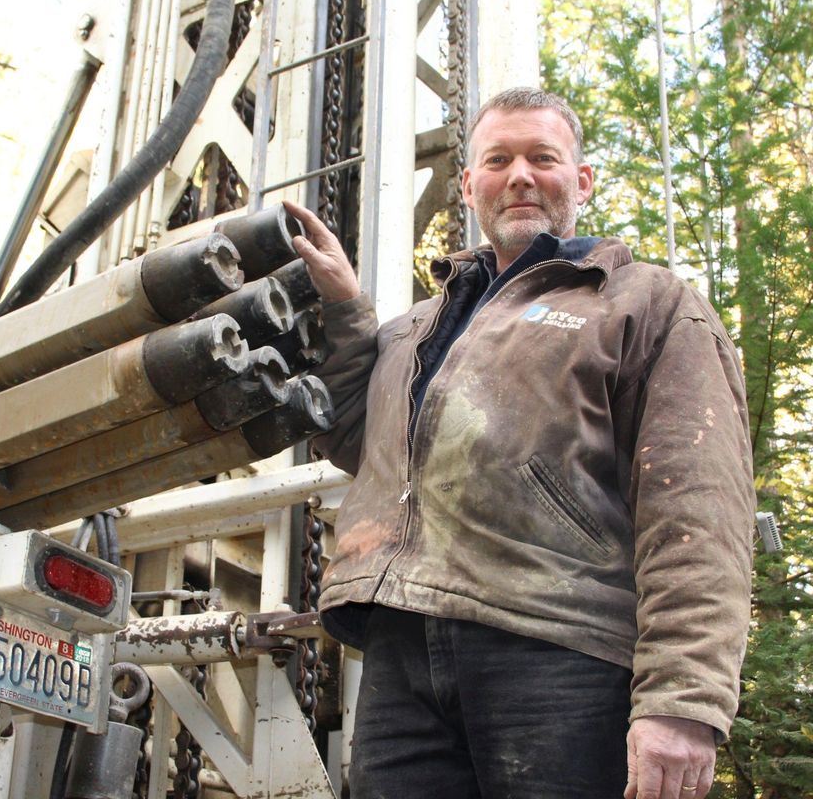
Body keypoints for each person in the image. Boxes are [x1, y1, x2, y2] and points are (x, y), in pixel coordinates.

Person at [282, 87, 755, 799]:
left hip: (560, 651)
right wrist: (347, 307)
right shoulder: (418, 327)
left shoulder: (643, 303)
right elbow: (362, 441)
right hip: (400, 655)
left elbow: (697, 506)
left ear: (582, 180)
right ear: (469, 185)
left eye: (543, 157)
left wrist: (683, 701)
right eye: (498, 160)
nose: (521, 176)